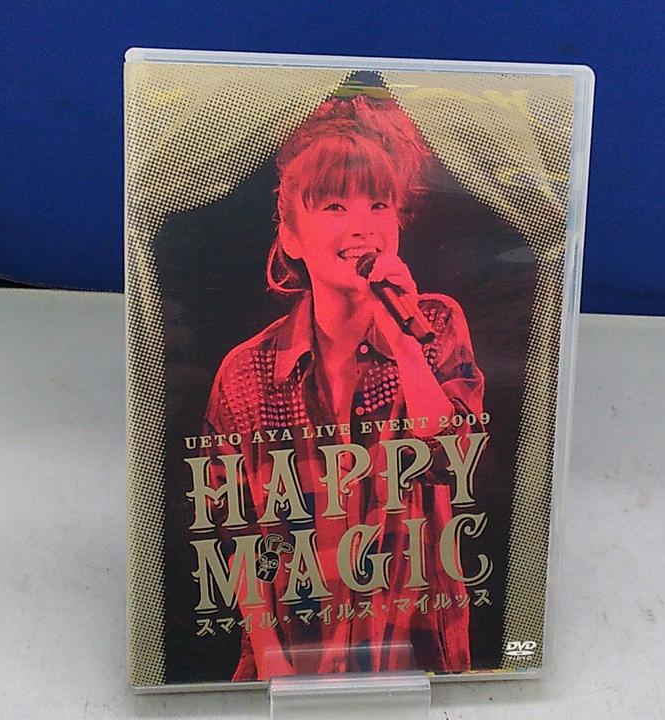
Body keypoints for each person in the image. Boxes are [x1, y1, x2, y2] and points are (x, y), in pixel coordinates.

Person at [202, 93, 486, 680]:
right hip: (289, 659)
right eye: (334, 206)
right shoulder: (246, 372)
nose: (362, 225)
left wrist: (403, 343)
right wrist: (272, 660)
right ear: (290, 236)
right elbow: (234, 533)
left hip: (409, 655)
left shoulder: (433, 326)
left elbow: (453, 460)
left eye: (378, 204)